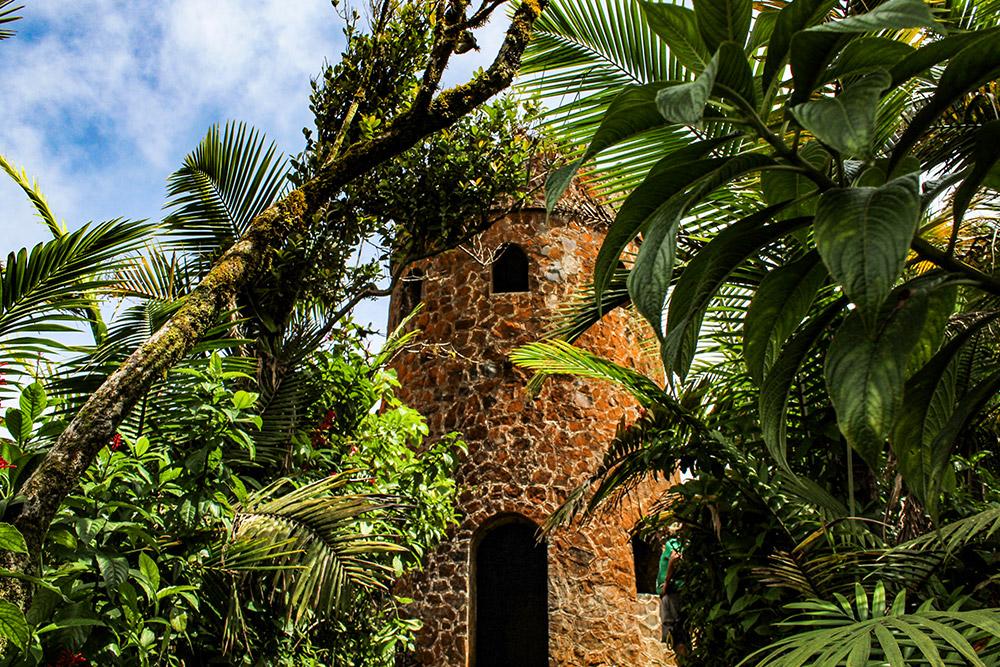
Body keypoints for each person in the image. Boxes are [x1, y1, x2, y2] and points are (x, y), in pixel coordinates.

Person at [658, 527, 689, 656]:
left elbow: (675, 557)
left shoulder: (673, 544)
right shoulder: (670, 545)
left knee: (676, 630)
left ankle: (684, 657)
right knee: (672, 629)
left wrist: (666, 582)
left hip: (673, 591)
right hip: (669, 593)